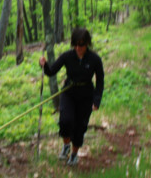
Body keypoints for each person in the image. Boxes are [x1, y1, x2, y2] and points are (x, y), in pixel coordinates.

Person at [39, 27, 105, 166]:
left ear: (87, 43)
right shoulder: (67, 56)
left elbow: (100, 81)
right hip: (69, 92)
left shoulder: (95, 59)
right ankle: (66, 145)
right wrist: (44, 65)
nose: (78, 48)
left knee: (80, 127)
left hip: (86, 95)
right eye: (75, 44)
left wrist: (96, 100)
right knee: (65, 121)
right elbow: (51, 71)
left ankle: (74, 154)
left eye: (81, 44)